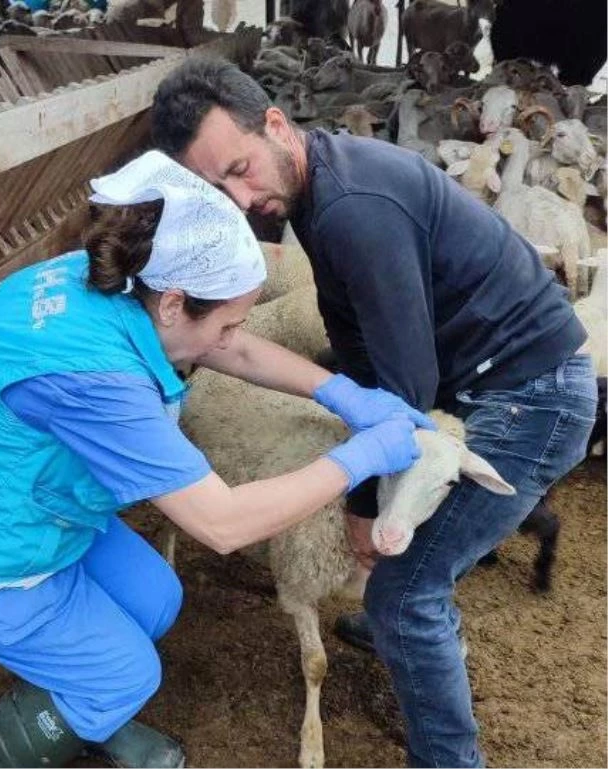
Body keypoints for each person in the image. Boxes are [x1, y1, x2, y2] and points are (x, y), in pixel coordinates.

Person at [0, 150, 430, 769]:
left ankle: (83, 706)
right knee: (130, 675)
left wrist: (339, 392)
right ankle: (30, 736)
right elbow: (223, 524)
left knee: (155, 601)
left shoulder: (100, 280)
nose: (231, 337)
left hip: (19, 504)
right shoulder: (94, 379)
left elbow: (229, 347)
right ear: (173, 303)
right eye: (229, 321)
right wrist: (359, 458)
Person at [150, 58, 598, 768]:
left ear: (274, 125)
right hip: (485, 376)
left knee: (402, 591)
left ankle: (446, 753)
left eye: (241, 167)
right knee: (409, 565)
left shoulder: (354, 207)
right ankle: (408, 617)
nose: (241, 196)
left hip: (531, 393)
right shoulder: (319, 188)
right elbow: (358, 339)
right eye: (218, 186)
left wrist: (361, 499)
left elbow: (404, 381)